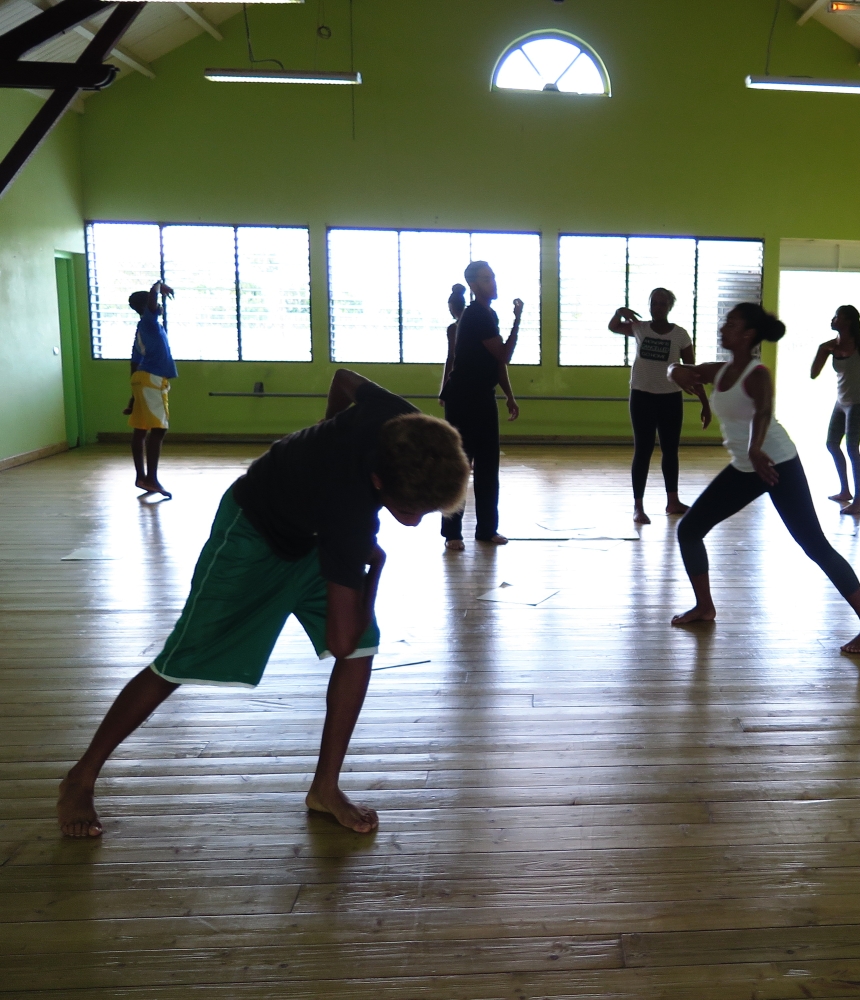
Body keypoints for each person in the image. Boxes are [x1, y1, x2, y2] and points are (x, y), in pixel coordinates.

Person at [56, 369, 471, 838]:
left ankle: (325, 789)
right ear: (377, 479)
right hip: (252, 535)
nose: (415, 522)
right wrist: (373, 572)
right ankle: (81, 776)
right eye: (410, 509)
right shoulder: (349, 512)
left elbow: (342, 380)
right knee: (178, 662)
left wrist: (323, 435)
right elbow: (339, 639)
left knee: (362, 652)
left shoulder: (400, 421)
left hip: (313, 537)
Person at [667, 303, 860, 655]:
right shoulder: (720, 371)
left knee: (815, 546)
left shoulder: (757, 374)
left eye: (732, 324)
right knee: (689, 530)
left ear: (748, 335)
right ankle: (705, 607)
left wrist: (755, 448)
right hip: (745, 467)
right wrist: (674, 371)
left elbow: (764, 412)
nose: (724, 328)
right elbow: (680, 369)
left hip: (775, 464)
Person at [608, 288, 712, 524]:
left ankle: (672, 501)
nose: (657, 308)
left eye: (662, 304)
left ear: (669, 307)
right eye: (654, 303)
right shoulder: (640, 328)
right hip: (642, 397)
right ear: (650, 306)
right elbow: (613, 327)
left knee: (670, 450)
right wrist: (618, 312)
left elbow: (692, 372)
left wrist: (704, 403)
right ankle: (638, 507)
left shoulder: (680, 335)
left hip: (670, 398)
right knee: (643, 450)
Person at [439, 261, 521, 551]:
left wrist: (509, 395)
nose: (493, 283)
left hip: (484, 396)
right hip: (463, 398)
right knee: (460, 463)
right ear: (474, 286)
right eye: (486, 279)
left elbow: (497, 363)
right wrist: (519, 320)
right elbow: (504, 354)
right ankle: (452, 532)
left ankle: (487, 529)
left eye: (493, 277)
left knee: (488, 464)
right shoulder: (475, 315)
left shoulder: (489, 314)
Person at [809, 305, 860, 515]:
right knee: (832, 444)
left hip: (857, 403)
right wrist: (821, 350)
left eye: (837, 317)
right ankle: (845, 490)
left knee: (852, 448)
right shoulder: (830, 347)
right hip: (840, 403)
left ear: (848, 322)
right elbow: (813, 374)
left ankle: (858, 500)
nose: (833, 320)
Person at [123, 281, 177, 499]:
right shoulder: (149, 323)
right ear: (147, 306)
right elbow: (153, 304)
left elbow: (134, 364)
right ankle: (151, 479)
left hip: (142, 380)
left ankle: (141, 477)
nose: (159, 305)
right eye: (154, 302)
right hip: (152, 380)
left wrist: (133, 398)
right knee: (158, 430)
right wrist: (157, 286)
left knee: (141, 429)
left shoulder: (144, 330)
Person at [437, 282, 468, 402]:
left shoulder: (454, 328)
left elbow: (451, 357)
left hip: (459, 380)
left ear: (451, 307)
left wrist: (444, 387)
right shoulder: (474, 325)